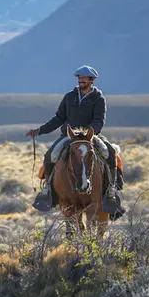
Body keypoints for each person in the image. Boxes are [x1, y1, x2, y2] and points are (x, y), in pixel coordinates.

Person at [25, 65, 125, 219]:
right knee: (49, 156)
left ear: (91, 80)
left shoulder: (98, 99)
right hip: (70, 136)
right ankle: (48, 192)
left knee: (110, 153)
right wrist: (39, 131)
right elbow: (58, 118)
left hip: (90, 136)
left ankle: (111, 191)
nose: (80, 80)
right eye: (79, 78)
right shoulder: (69, 97)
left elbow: (99, 120)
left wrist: (89, 133)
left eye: (84, 78)